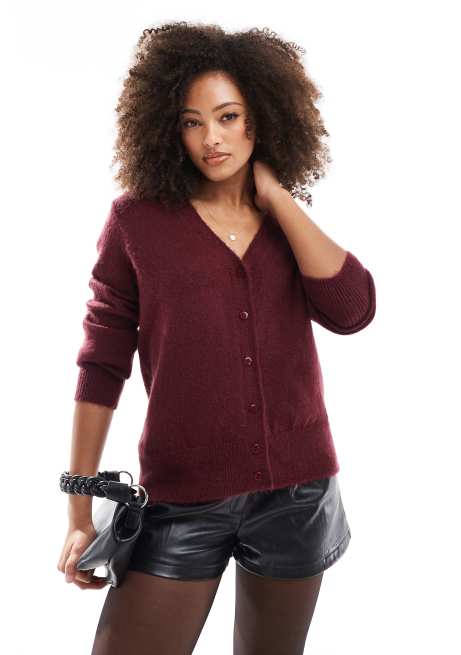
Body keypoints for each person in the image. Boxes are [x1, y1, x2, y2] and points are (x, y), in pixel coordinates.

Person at [57, 21, 376, 655]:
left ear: (261, 118)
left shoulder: (284, 222)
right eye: (192, 122)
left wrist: (277, 197)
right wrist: (78, 512)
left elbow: (353, 311)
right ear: (166, 128)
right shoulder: (137, 222)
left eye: (228, 117)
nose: (211, 138)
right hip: (181, 498)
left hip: (298, 495)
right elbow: (102, 363)